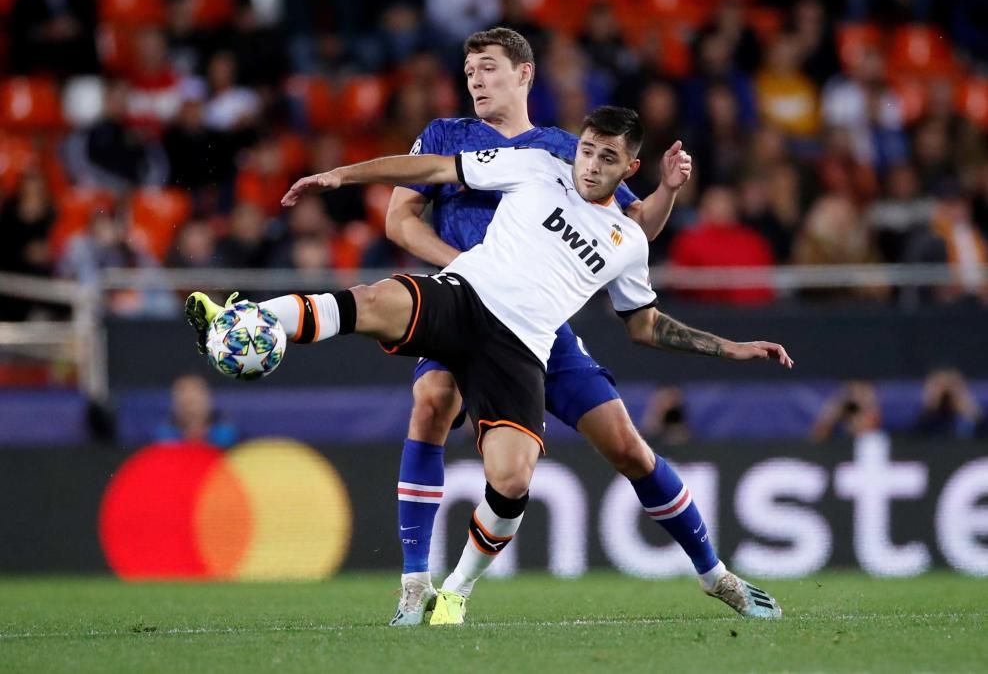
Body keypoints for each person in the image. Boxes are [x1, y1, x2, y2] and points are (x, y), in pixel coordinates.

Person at [186, 106, 793, 625]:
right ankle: (243, 322)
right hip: (465, 297)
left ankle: (457, 591)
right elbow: (429, 169)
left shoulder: (628, 243)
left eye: (607, 159)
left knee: (512, 480)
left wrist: (733, 347)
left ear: (629, 169)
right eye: (586, 151)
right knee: (374, 303)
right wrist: (342, 174)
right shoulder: (536, 166)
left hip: (523, 347)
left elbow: (644, 324)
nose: (590, 165)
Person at [381, 27, 763, 627]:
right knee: (431, 399)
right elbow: (399, 223)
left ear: (524, 73)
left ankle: (715, 573)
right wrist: (472, 272)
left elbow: (634, 227)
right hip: (463, 311)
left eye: (487, 68)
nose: (474, 80)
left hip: (540, 330)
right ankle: (414, 583)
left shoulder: (568, 147)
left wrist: (668, 188)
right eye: (470, 71)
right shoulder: (444, 135)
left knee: (627, 445)